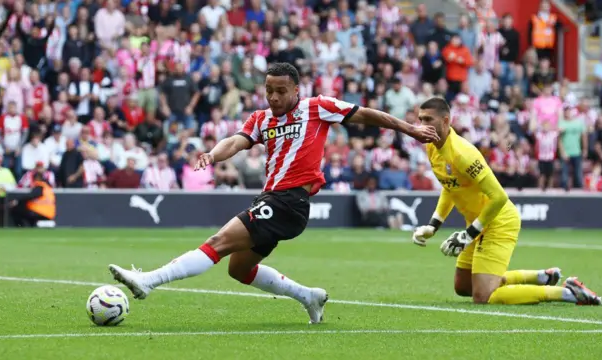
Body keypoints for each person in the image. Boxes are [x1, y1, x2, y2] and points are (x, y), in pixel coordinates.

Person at [107, 62, 439, 324]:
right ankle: (308, 296)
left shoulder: (317, 107)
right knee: (239, 270)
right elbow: (236, 142)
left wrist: (409, 129)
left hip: (290, 200)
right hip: (272, 200)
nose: (274, 97)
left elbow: (364, 114)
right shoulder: (261, 118)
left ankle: (149, 280)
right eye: (268, 90)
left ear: (296, 90)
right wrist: (213, 154)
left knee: (218, 243)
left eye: (281, 91)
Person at [412, 97, 602, 306]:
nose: (422, 125)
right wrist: (433, 225)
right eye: (420, 119)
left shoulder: (462, 153)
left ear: (446, 121)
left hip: (498, 220)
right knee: (463, 286)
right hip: (477, 223)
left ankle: (567, 292)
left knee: (483, 296)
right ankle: (539, 277)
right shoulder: (432, 147)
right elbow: (450, 186)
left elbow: (499, 197)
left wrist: (469, 234)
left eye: (428, 119)